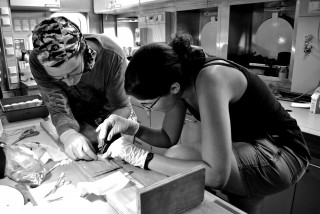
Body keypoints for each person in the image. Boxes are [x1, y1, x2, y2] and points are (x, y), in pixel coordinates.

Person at [96, 34, 311, 214]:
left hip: (283, 151)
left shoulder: (211, 80)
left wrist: (140, 156)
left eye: (148, 104)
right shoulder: (178, 77)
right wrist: (130, 126)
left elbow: (217, 175)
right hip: (248, 145)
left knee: (178, 157)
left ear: (172, 88)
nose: (148, 109)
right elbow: (167, 138)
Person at [30, 16, 132, 161]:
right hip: (73, 119)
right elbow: (57, 107)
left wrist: (108, 128)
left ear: (84, 51)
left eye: (74, 72)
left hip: (109, 119)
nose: (69, 82)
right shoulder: (39, 60)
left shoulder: (111, 56)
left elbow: (122, 106)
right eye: (59, 79)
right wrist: (68, 135)